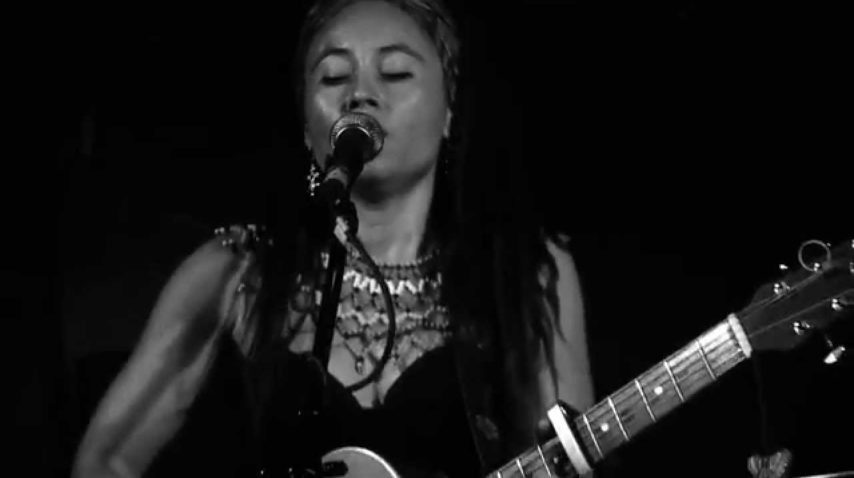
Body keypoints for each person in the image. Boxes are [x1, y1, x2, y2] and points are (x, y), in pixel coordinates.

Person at [72, 0, 595, 476]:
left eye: (396, 72)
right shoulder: (236, 272)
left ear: (449, 108)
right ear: (306, 123)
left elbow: (568, 458)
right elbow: (105, 459)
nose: (360, 94)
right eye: (334, 76)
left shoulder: (527, 273)